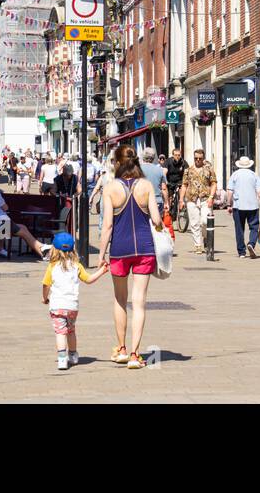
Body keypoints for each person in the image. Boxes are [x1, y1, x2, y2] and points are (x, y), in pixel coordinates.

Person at [98, 145, 162, 370]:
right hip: (144, 249)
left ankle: (122, 349)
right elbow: (156, 219)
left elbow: (107, 225)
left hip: (119, 249)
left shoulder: (110, 188)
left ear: (117, 163)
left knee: (119, 299)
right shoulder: (146, 185)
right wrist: (162, 225)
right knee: (140, 302)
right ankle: (136, 354)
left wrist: (101, 253)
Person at [41, 231, 108, 370]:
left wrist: (44, 297)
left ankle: (61, 359)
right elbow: (89, 280)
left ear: (54, 249)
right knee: (71, 331)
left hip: (57, 306)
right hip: (72, 307)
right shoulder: (77, 266)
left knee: (60, 333)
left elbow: (46, 285)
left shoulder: (52, 267)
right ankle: (73, 355)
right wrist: (101, 271)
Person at [0, 177, 49, 259]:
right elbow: (5, 208)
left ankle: (40, 249)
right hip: (1, 223)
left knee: (23, 227)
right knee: (23, 232)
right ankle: (42, 249)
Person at [180, 148, 217, 253]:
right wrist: (181, 200)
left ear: (203, 158)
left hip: (205, 198)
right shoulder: (188, 170)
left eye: (200, 158)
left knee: (205, 221)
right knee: (194, 223)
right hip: (191, 199)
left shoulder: (209, 169)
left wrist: (211, 197)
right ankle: (198, 245)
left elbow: (214, 183)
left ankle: (205, 237)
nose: (198, 160)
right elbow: (184, 185)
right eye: (196, 158)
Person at [228, 156, 260, 259]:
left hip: (238, 206)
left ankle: (241, 252)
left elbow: (230, 191)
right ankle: (251, 243)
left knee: (239, 229)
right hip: (252, 206)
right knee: (254, 227)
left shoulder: (235, 175)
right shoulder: (253, 175)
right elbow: (259, 191)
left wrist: (228, 204)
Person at [139, 147, 170, 221]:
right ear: (153, 158)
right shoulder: (159, 170)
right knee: (156, 226)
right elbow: (164, 189)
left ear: (143, 157)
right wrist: (166, 203)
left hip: (141, 202)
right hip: (157, 201)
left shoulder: (137, 169)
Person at [164, 148, 188, 219]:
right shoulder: (168, 161)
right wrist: (165, 181)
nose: (177, 156)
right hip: (170, 181)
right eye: (176, 155)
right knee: (170, 197)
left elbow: (187, 172)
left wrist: (186, 181)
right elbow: (164, 171)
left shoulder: (183, 162)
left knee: (182, 192)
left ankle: (181, 204)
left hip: (179, 181)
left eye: (179, 155)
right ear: (173, 155)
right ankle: (168, 209)